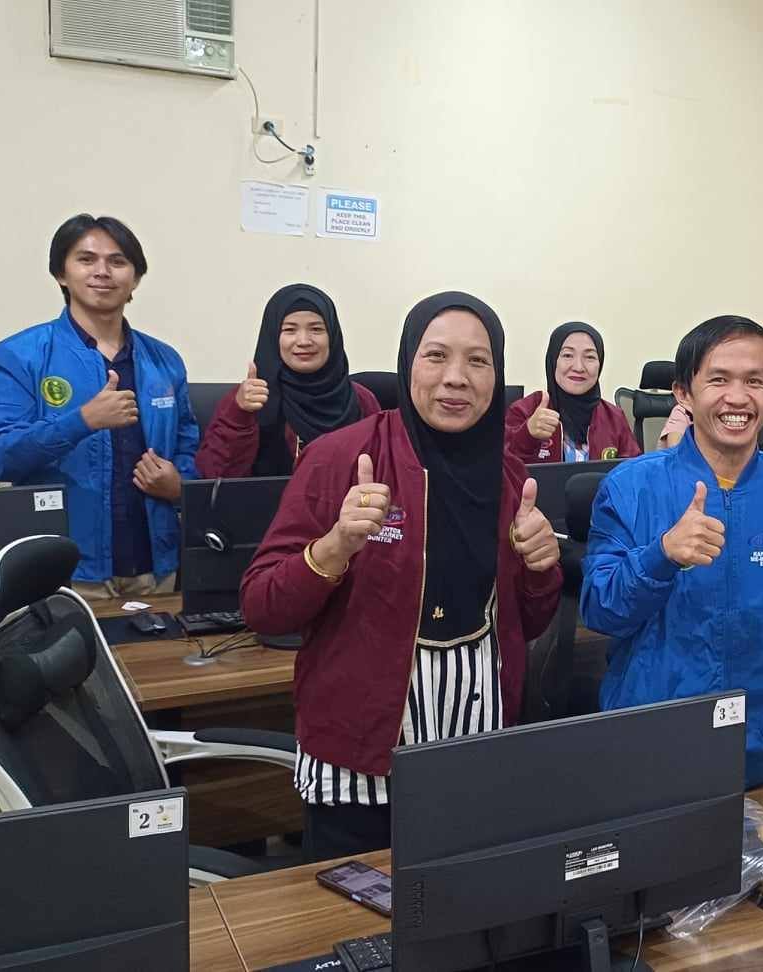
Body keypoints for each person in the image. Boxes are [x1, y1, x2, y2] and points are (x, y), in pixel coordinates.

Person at [241, 292, 562, 861]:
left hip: (476, 740)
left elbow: (528, 625)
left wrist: (540, 568)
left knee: (462, 896)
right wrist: (335, 547)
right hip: (359, 753)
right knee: (353, 909)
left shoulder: (510, 475)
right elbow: (263, 606)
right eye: (436, 356)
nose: (456, 377)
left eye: (478, 360)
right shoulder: (341, 457)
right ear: (407, 361)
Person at [581, 316, 763, 787]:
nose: (737, 398)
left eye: (754, 382)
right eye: (718, 379)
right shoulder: (632, 487)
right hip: (654, 744)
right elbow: (600, 611)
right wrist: (661, 555)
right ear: (684, 393)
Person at [0, 214, 198, 597]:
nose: (102, 272)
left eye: (117, 261)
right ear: (61, 274)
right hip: (67, 570)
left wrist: (180, 485)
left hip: (157, 566)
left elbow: (188, 444)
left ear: (135, 278)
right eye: (86, 259)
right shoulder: (20, 355)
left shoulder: (164, 361)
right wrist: (81, 420)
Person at [196, 284, 379, 478]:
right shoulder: (250, 399)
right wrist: (240, 414)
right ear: (273, 336)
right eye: (290, 330)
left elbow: (384, 469)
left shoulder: (360, 400)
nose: (304, 341)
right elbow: (214, 476)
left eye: (316, 329)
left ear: (332, 336)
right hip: (268, 498)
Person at [505, 322, 641, 463]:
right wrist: (527, 434)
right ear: (553, 360)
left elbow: (635, 469)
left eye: (590, 357)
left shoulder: (614, 418)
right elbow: (501, 467)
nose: (578, 367)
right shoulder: (525, 411)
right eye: (568, 355)